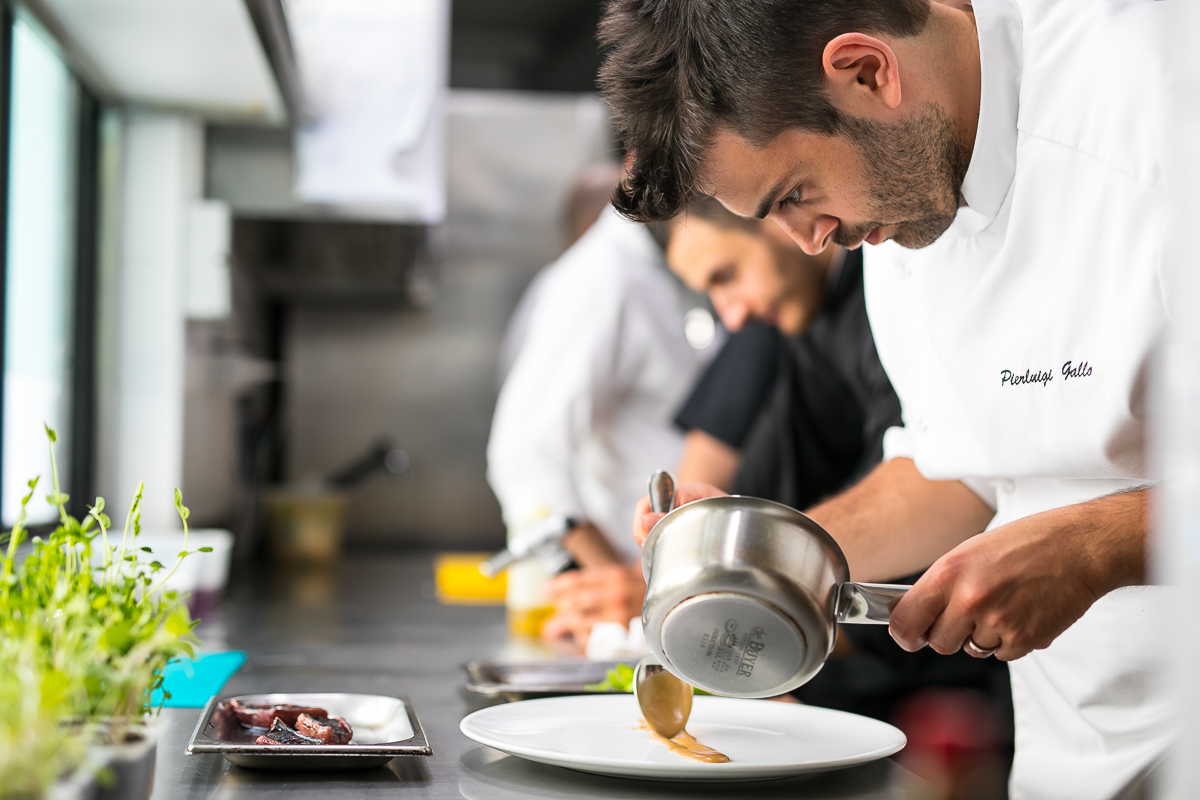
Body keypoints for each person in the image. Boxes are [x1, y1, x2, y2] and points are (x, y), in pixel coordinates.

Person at [601, 0, 1169, 797]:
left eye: (795, 193)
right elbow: (961, 470)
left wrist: (1099, 544)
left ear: (868, 71)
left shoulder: (1165, 99)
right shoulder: (900, 194)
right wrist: (760, 560)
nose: (807, 239)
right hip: (1078, 753)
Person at [486, 166, 710, 649]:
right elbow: (526, 458)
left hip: (669, 599)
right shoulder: (602, 276)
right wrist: (624, 591)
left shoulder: (663, 267)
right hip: (625, 614)